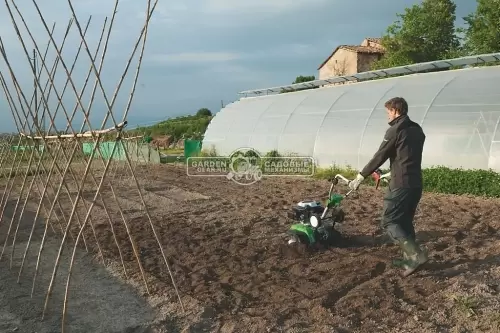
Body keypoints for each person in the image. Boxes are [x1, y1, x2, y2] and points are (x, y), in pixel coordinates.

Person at [347, 97, 428, 277]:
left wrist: (361, 176)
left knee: (389, 220)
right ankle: (411, 260)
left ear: (395, 111)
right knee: (405, 221)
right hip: (415, 183)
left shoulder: (395, 130)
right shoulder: (417, 129)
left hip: (400, 184)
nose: (387, 116)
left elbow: (380, 155)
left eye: (388, 112)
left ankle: (416, 255)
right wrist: (391, 172)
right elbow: (407, 156)